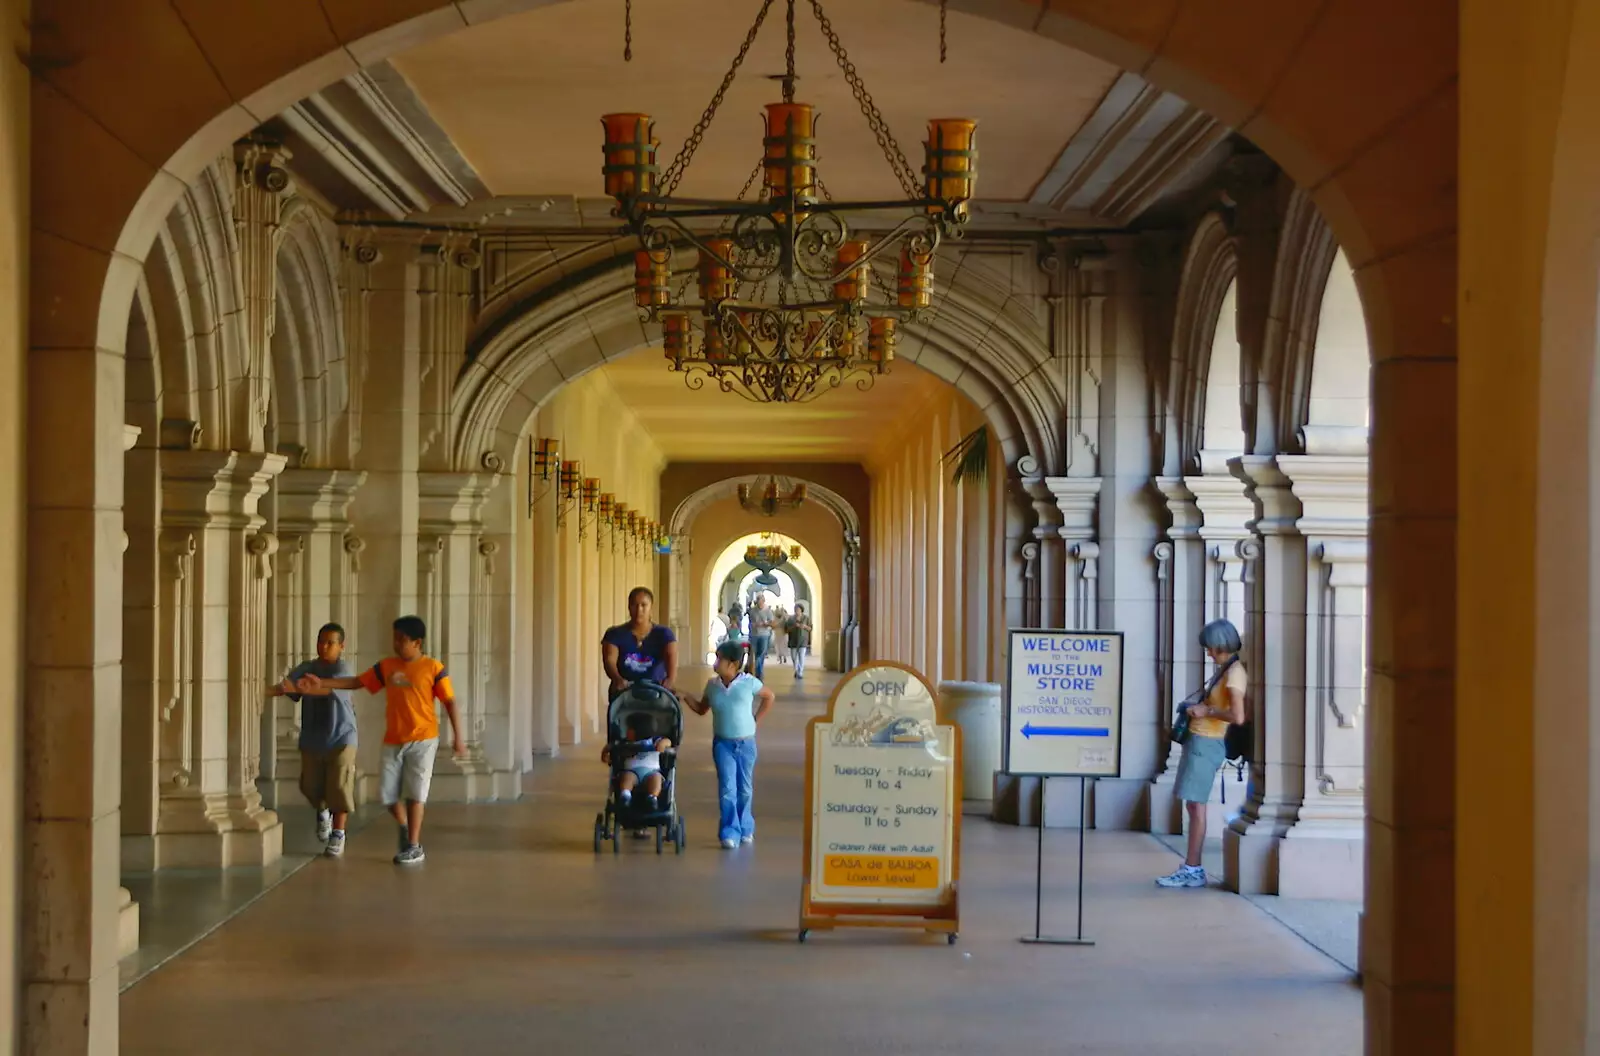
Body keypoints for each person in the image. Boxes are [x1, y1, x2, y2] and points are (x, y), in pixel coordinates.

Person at [297, 615, 467, 866]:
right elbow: (356, 682)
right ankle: (405, 826)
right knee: (387, 796)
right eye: (395, 638)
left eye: (402, 639)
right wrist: (322, 682)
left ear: (417, 642)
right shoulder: (387, 666)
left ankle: (413, 845)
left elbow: (450, 702)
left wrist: (458, 739)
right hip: (394, 739)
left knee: (416, 794)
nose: (396, 643)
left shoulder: (433, 668)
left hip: (424, 740)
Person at [1157, 618, 1247, 889]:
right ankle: (1191, 866)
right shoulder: (1225, 669)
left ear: (1221, 644)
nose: (1208, 653)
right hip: (1200, 740)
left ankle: (1193, 868)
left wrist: (1206, 711)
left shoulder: (1234, 675)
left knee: (1196, 806)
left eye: (1210, 647)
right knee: (1193, 803)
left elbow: (1238, 716)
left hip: (1208, 742)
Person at [267, 623, 357, 857]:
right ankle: (322, 811)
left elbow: (325, 691)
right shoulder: (307, 667)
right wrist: (272, 689)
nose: (324, 646)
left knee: (339, 785)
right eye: (321, 641)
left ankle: (338, 834)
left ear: (341, 646)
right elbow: (289, 689)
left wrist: (303, 687)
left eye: (330, 642)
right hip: (312, 738)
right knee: (309, 786)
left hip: (342, 737)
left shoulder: (342, 669)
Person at [684, 641, 774, 849]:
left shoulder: (748, 683)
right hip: (723, 744)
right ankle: (730, 830)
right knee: (727, 788)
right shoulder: (712, 686)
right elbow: (701, 708)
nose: (716, 662)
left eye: (719, 659)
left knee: (744, 789)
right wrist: (686, 697)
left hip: (746, 744)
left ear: (733, 664)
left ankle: (746, 828)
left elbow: (769, 697)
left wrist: (756, 720)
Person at [601, 586, 678, 696]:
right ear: (628, 607)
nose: (639, 610)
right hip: (625, 692)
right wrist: (617, 679)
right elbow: (609, 660)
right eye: (634, 605)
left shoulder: (664, 634)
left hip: (656, 691)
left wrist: (670, 680)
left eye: (643, 605)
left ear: (651, 608)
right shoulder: (614, 634)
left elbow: (671, 657)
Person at [601, 712, 672, 813]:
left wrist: (663, 744)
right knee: (627, 778)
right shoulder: (625, 742)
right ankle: (625, 796)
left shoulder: (654, 741)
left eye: (629, 729)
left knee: (656, 779)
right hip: (631, 771)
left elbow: (668, 741)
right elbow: (611, 746)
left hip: (651, 771)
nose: (627, 731)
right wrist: (605, 754)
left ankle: (652, 798)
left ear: (638, 731)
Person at [747, 593, 777, 678]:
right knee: (755, 654)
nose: (759, 603)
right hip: (754, 635)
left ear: (763, 601)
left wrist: (765, 624)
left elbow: (772, 623)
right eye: (757, 601)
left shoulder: (768, 611)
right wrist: (753, 625)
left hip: (764, 635)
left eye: (760, 601)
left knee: (761, 654)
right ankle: (758, 672)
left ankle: (758, 671)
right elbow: (750, 621)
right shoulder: (752, 610)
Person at [784, 602, 812, 679]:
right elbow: (786, 630)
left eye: (798, 609)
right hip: (793, 640)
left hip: (803, 640)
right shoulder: (791, 619)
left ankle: (800, 672)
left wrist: (804, 626)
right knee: (794, 657)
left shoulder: (806, 618)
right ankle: (796, 670)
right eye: (796, 609)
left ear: (801, 610)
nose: (797, 611)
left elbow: (810, 628)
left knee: (801, 657)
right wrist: (794, 626)